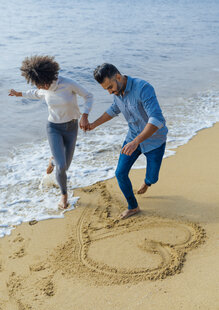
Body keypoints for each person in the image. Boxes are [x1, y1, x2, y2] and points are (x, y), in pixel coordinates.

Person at [9, 55, 93, 209]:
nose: (41, 87)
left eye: (43, 84)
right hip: (53, 128)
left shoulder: (67, 83)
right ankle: (64, 195)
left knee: (64, 166)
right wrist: (18, 93)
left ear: (49, 76)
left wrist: (85, 116)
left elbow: (88, 96)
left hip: (72, 128)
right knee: (61, 167)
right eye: (38, 84)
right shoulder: (42, 88)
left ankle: (53, 161)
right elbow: (35, 94)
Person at [88, 63, 168, 219]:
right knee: (120, 173)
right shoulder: (117, 92)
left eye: (110, 87)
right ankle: (133, 207)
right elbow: (113, 109)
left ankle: (148, 182)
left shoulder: (143, 88)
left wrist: (137, 141)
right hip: (132, 137)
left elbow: (157, 119)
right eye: (107, 90)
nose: (110, 92)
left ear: (118, 77)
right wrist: (93, 125)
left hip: (155, 140)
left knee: (153, 177)